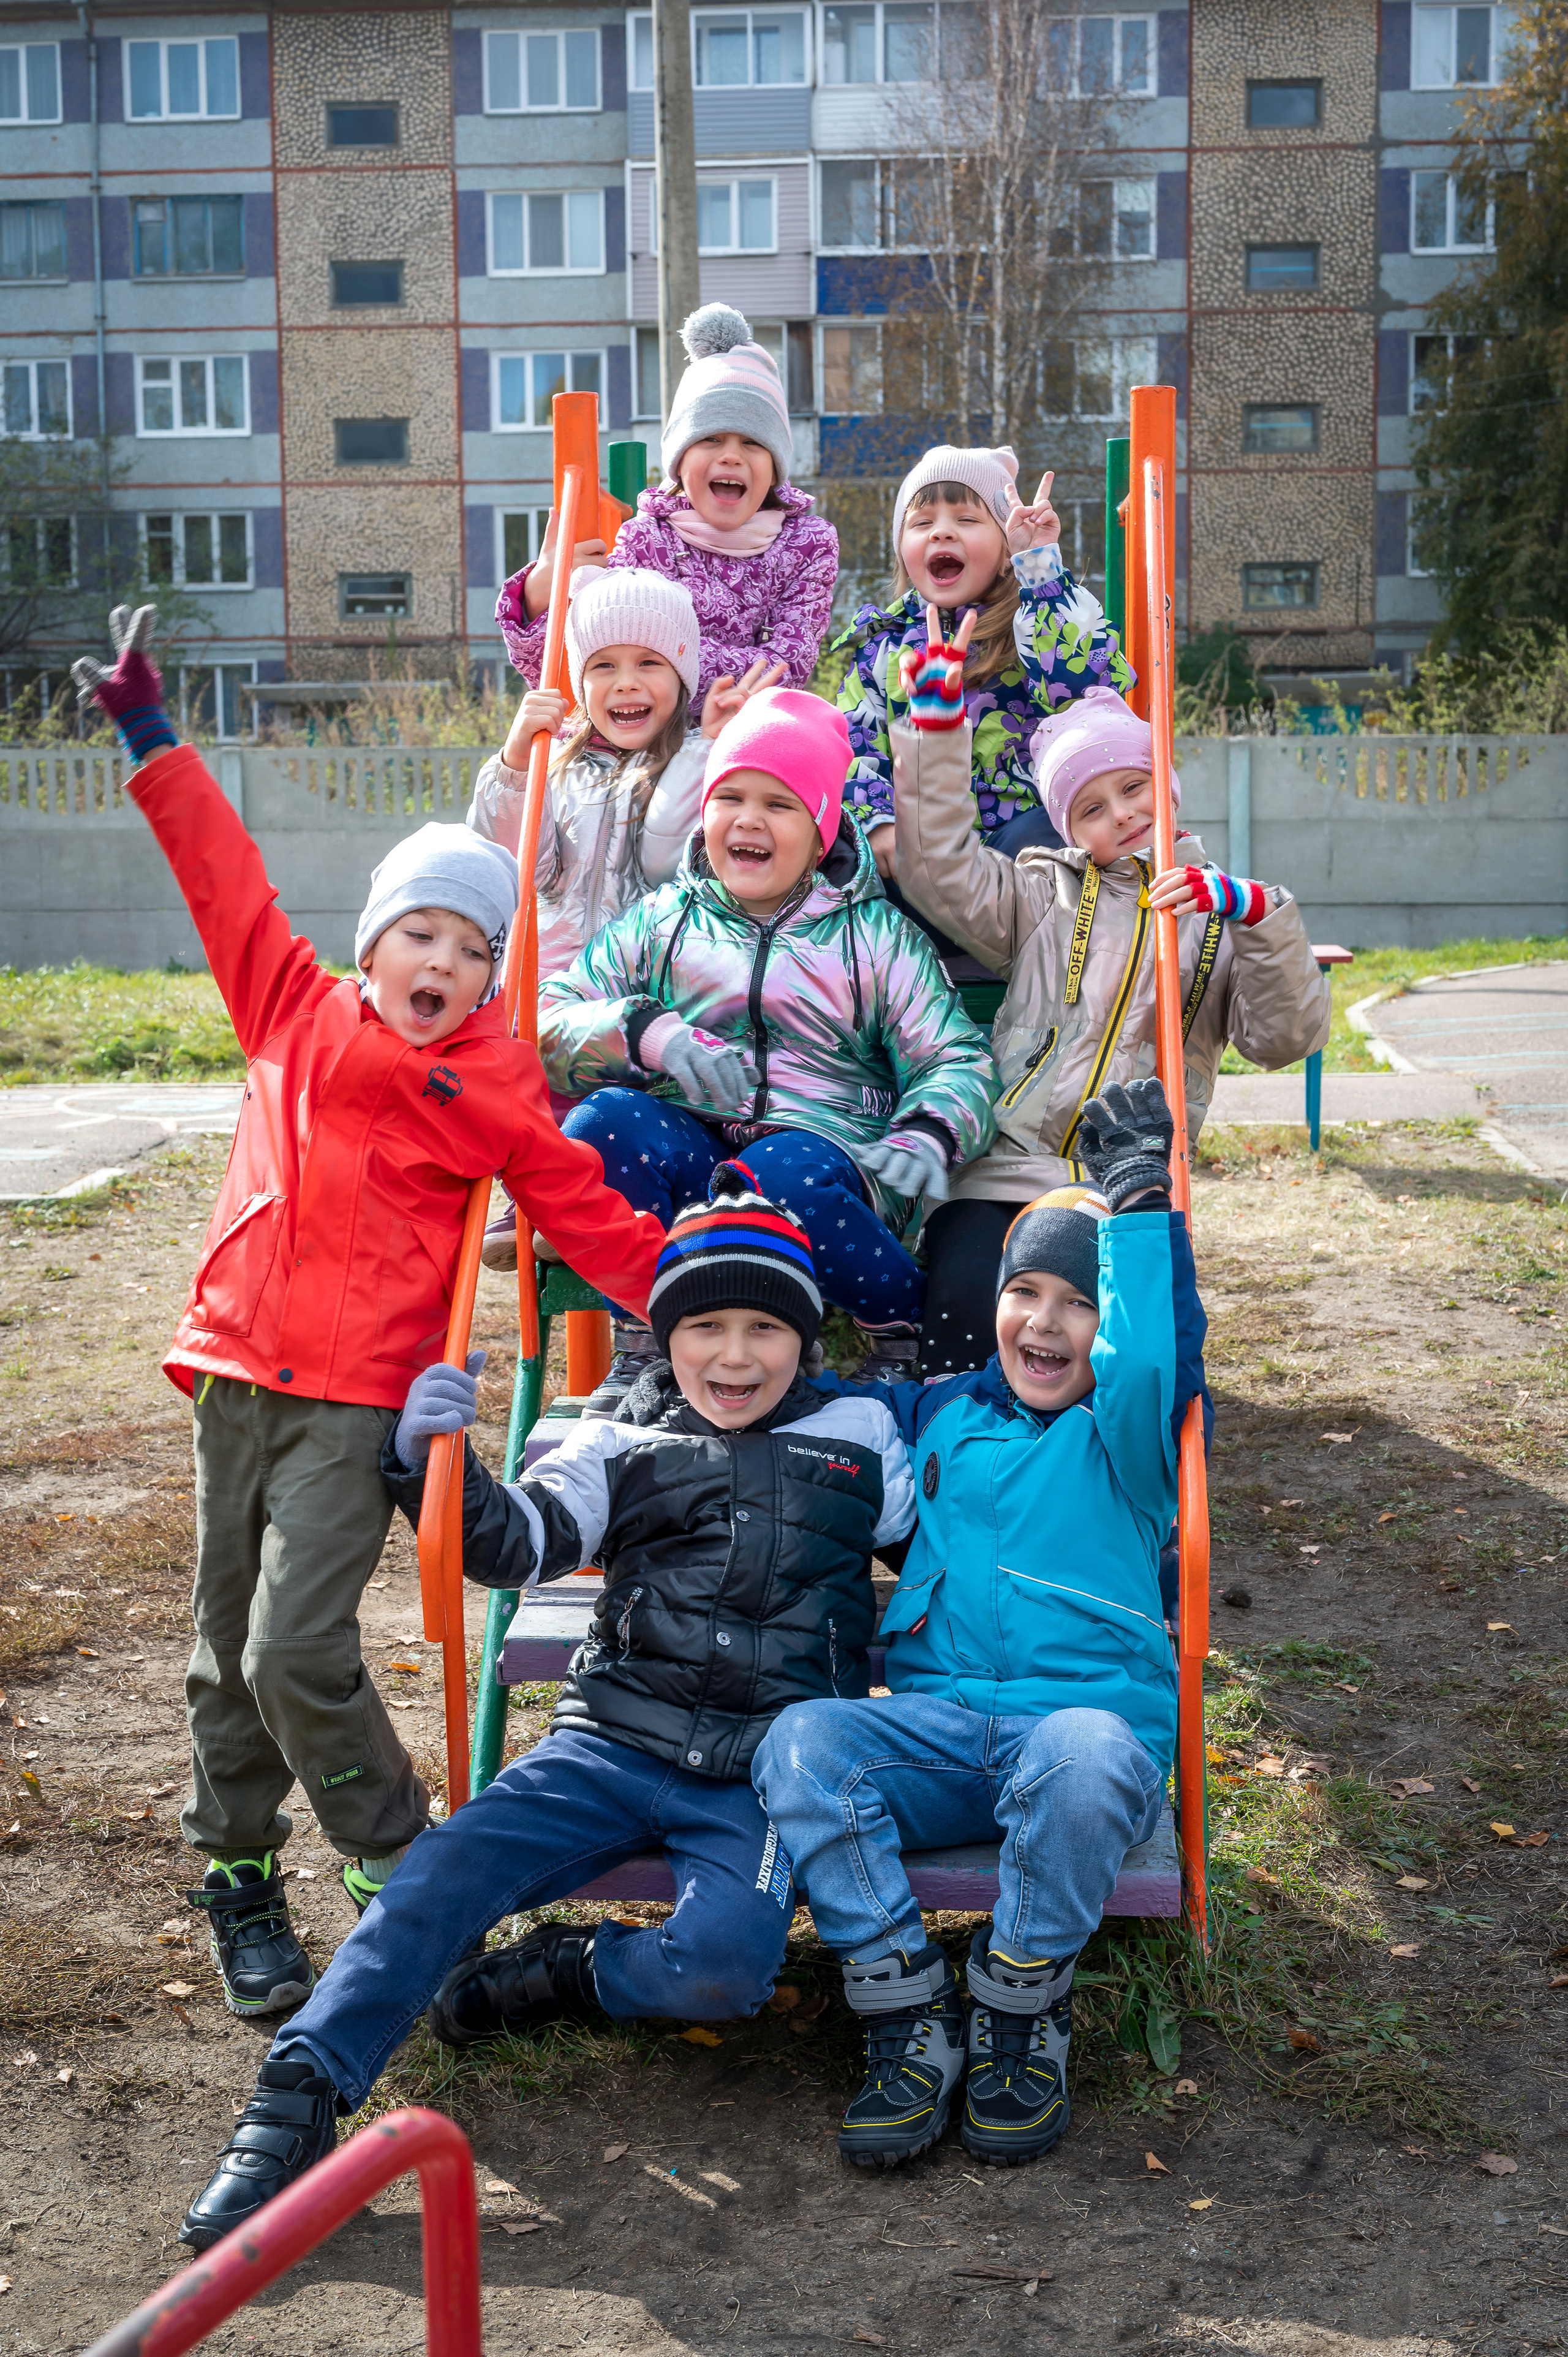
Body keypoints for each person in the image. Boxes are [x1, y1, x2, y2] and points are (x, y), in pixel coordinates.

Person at [69, 605, 666, 2019]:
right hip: (231, 1369)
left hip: (358, 1398)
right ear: (373, 941)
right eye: (418, 931)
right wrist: (152, 734)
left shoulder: (498, 1080)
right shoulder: (289, 1007)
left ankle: (398, 1856)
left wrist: (696, 1299)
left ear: (488, 976)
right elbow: (221, 876)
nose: (441, 959)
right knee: (223, 1653)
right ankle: (237, 1875)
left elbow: (579, 1207)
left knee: (293, 1646)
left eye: (468, 945)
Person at [176, 1165, 917, 2253]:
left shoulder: (863, 1430)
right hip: (610, 1742)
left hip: (764, 1771)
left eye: (766, 1327)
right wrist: (427, 1458)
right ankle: (295, 2098)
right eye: (706, 1326)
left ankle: (563, 1969)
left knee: (726, 1964)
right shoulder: (618, 1438)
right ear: (666, 1339)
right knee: (439, 1874)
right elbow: (516, 1543)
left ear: (806, 1339)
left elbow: (940, 1552)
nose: (736, 1355)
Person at [753, 1078, 1206, 2170]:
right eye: (1026, 1293)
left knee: (1091, 1754)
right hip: (942, 1726)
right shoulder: (941, 1409)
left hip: (1079, 1726)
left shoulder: (1125, 1436)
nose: (1044, 1322)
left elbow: (1157, 1355)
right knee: (803, 1744)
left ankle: (1017, 2001)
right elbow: (808, 1402)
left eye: (1078, 1304)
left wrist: (1142, 1203)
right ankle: (906, 2009)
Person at [537, 685, 997, 1405]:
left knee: (778, 1171)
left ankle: (895, 1325)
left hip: (820, 1167)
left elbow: (953, 1057)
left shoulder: (870, 936)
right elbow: (550, 1016)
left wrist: (932, 1128)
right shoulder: (662, 922)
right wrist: (640, 1031)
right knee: (600, 1125)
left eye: (779, 805)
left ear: (820, 834)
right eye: (731, 798)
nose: (749, 819)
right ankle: (650, 1329)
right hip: (693, 1167)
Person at [891, 644, 1332, 1376]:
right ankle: (957, 1447)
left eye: (1136, 787)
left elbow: (1283, 1038)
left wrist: (1261, 917)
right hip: (1009, 1167)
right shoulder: (1041, 898)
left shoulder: (1222, 915)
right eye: (1092, 808)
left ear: (1170, 790)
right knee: (965, 1298)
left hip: (1128, 1185)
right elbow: (938, 867)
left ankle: (1090, 1461)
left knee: (1115, 1342)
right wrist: (935, 734)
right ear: (1068, 830)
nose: (1122, 814)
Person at [464, 566, 783, 1270]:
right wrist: (516, 765)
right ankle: (533, 1199)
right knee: (527, 1075)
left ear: (683, 675)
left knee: (614, 1095)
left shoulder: (687, 763)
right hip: (555, 978)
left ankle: (596, 1211)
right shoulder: (560, 763)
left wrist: (704, 746)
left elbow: (666, 855)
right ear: (579, 679)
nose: (626, 683)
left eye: (649, 663)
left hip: (647, 984)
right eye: (603, 665)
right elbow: (517, 862)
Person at [834, 444, 1134, 906]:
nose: (941, 533)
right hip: (921, 855)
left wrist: (1040, 571)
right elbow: (852, 744)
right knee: (841, 847)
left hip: (1016, 857)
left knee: (1055, 835)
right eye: (921, 523)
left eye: (967, 520)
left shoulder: (1033, 620)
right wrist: (877, 819)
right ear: (902, 551)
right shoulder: (884, 648)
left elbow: (1087, 696)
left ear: (1003, 552)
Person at [498, 306, 838, 709]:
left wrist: (656, 652)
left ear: (775, 467)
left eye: (752, 443)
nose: (731, 456)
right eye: (710, 440)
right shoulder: (648, 540)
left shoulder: (806, 544)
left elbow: (787, 668)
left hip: (746, 746)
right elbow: (586, 669)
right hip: (657, 743)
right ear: (679, 459)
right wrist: (540, 599)